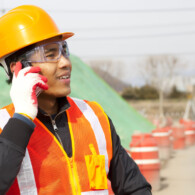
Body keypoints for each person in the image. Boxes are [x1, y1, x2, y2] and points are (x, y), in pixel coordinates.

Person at [0, 5, 152, 195]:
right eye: (50, 54)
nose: (65, 62)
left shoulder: (94, 116)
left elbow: (135, 187)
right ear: (19, 68)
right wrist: (22, 118)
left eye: (64, 50)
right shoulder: (3, 126)